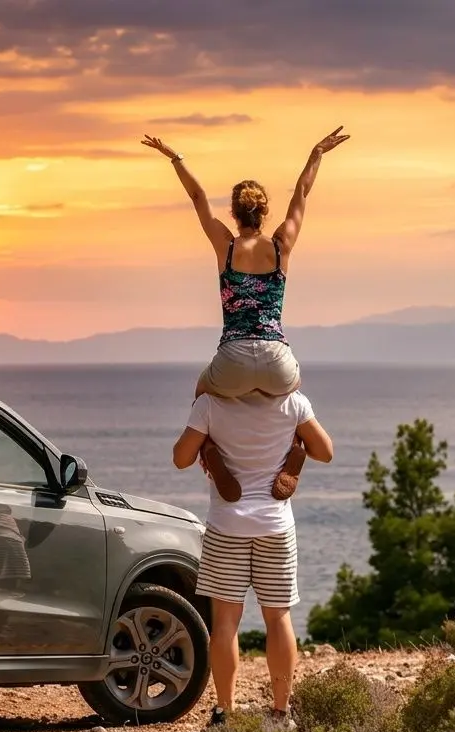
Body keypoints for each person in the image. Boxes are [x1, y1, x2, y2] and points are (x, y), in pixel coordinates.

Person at [143, 127, 349, 504]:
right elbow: (302, 194)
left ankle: (209, 453)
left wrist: (175, 158)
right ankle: (292, 458)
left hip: (233, 357)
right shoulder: (281, 243)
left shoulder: (226, 246)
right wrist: (317, 151)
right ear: (264, 212)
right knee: (294, 399)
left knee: (201, 392)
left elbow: (197, 196)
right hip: (277, 359)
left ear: (234, 214)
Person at [172, 388, 334, 728]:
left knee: (226, 621)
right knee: (278, 618)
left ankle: (225, 712)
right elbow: (326, 452)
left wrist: (205, 446)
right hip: (275, 525)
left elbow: (180, 458)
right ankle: (280, 712)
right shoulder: (293, 401)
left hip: (226, 525)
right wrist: (297, 446)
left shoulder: (211, 403)